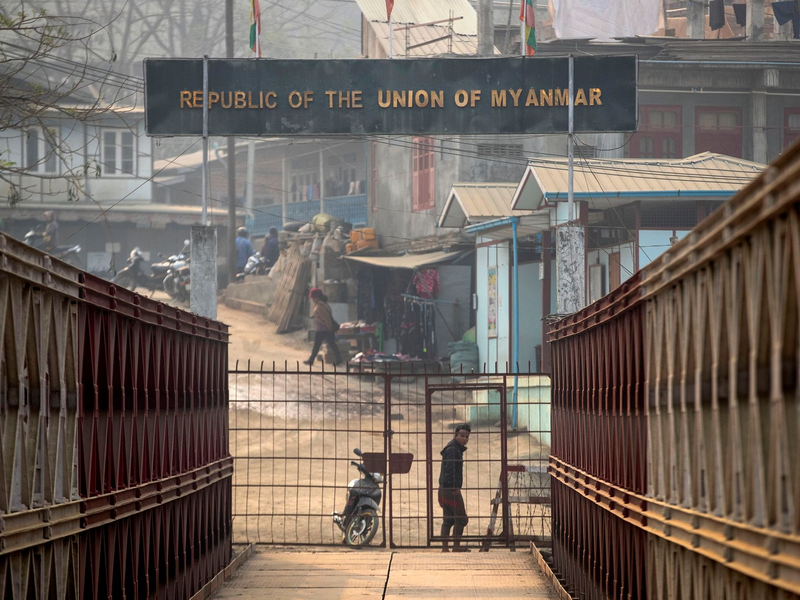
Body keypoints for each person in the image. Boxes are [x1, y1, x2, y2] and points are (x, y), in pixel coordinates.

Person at [438, 423, 471, 552]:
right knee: (461, 518)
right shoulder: (453, 449)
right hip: (450, 490)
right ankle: (456, 547)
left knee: (448, 519)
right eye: (462, 436)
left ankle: (445, 548)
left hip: (443, 489)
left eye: (467, 436)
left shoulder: (454, 448)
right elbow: (450, 470)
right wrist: (454, 487)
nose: (464, 439)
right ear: (455, 435)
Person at [304, 288, 342, 366]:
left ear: (317, 297)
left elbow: (326, 318)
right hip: (327, 329)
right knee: (332, 344)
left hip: (322, 329)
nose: (312, 299)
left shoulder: (319, 306)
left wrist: (329, 327)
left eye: (313, 298)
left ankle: (311, 360)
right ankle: (339, 359)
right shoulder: (325, 304)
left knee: (317, 345)